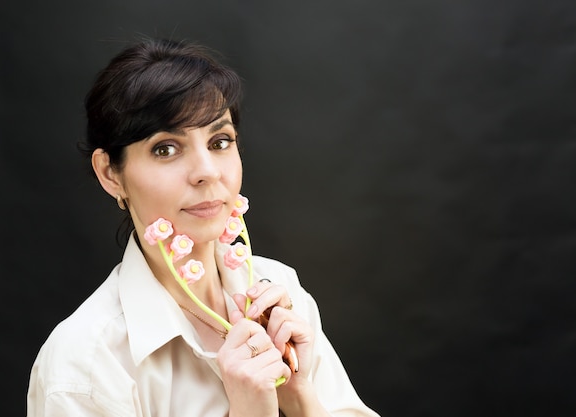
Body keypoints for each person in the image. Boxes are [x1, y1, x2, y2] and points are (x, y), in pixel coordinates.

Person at [26, 37, 380, 417]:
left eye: (220, 141)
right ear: (111, 174)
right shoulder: (87, 363)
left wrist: (299, 395)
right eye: (165, 148)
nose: (208, 172)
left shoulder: (280, 293)